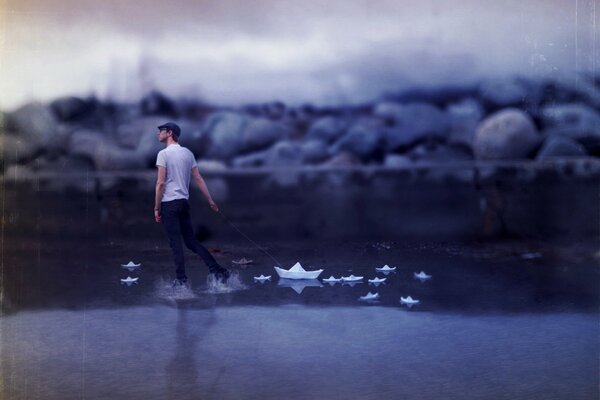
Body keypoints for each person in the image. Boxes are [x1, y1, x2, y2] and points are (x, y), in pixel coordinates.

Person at [154, 122, 230, 285]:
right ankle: (218, 270)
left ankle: (181, 281)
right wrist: (210, 200)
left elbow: (160, 183)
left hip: (169, 204)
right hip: (183, 203)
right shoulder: (187, 153)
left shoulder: (163, 154)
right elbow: (198, 178)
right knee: (191, 241)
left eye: (161, 131)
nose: (158, 134)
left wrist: (156, 207)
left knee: (176, 244)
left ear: (169, 133)